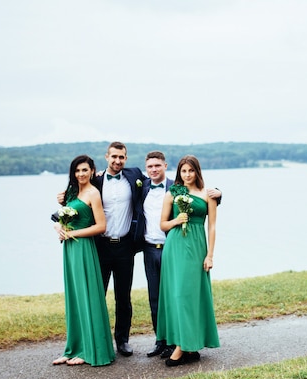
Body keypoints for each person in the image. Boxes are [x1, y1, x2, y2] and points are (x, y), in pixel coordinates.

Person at [57, 141, 145, 357]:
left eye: (121, 157)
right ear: (107, 157)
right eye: (113, 156)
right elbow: (78, 206)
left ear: (126, 158)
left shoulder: (135, 176)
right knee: (97, 294)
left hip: (125, 246)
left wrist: (216, 194)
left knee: (123, 297)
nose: (117, 161)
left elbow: (160, 186)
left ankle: (122, 341)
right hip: (100, 247)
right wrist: (62, 203)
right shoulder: (94, 181)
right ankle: (96, 340)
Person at [139, 151, 222, 359]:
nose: (187, 174)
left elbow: (212, 227)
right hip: (174, 247)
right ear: (179, 172)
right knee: (175, 296)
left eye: (191, 170)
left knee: (191, 296)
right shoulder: (172, 193)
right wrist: (177, 221)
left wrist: (210, 255)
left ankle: (189, 344)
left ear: (197, 172)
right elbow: (163, 224)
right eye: (183, 171)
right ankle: (181, 345)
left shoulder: (208, 195)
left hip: (196, 248)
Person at [52, 155, 115, 367]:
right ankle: (73, 348)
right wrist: (59, 227)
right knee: (74, 298)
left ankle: (90, 349)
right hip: (69, 250)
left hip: (83, 248)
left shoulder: (93, 193)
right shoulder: (70, 193)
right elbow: (60, 218)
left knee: (87, 297)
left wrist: (75, 233)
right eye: (77, 170)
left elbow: (101, 226)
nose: (81, 174)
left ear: (91, 171)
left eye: (85, 170)